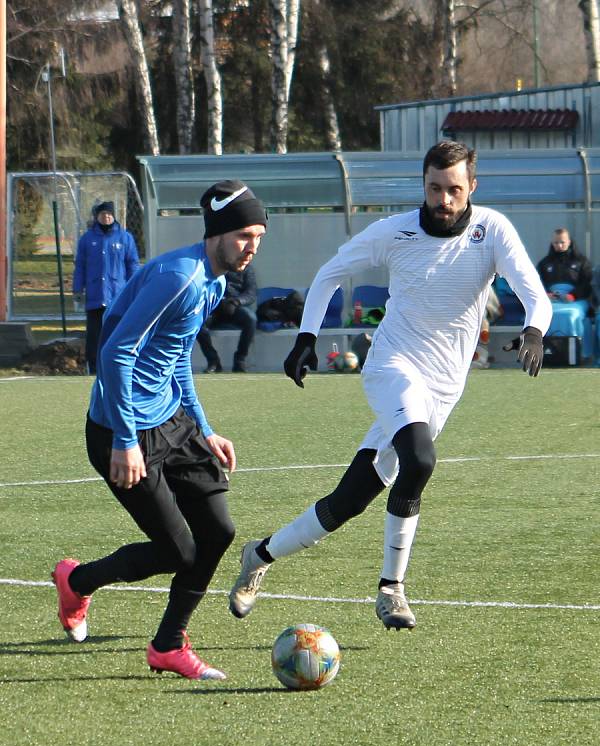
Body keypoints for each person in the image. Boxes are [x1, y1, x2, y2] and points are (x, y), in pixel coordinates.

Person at [228, 140, 552, 632]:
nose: (444, 200)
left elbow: (535, 294)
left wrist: (533, 330)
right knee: (420, 460)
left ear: (472, 188)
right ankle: (391, 589)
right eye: (435, 188)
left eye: (454, 190)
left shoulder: (493, 231)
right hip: (392, 366)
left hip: (444, 387)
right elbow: (330, 274)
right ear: (423, 185)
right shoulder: (394, 232)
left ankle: (259, 554)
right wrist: (306, 338)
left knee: (347, 503)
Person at [52, 180, 267, 680]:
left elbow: (176, 356)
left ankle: (168, 646)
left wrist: (205, 429)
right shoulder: (182, 277)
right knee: (177, 551)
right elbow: (114, 351)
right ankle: (77, 581)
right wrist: (126, 440)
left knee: (219, 530)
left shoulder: (214, 281)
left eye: (258, 236)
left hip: (172, 421)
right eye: (243, 235)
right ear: (215, 233)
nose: (251, 246)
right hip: (121, 429)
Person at [73, 201, 141, 374]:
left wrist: (136, 288)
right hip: (95, 296)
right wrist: (77, 289)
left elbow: (132, 264)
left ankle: (118, 367)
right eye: (103, 214)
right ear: (97, 217)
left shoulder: (125, 238)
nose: (106, 217)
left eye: (109, 214)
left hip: (117, 296)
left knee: (117, 333)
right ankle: (94, 368)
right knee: (94, 335)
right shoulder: (87, 239)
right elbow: (80, 265)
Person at [196, 263, 257, 373]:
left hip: (234, 307)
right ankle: (213, 361)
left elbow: (251, 293)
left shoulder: (246, 268)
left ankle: (240, 360)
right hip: (213, 307)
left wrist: (237, 301)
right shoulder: (211, 266)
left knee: (251, 319)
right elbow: (201, 288)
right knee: (198, 323)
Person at [536, 228, 593, 303]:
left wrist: (573, 295)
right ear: (552, 243)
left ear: (569, 242)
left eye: (562, 242)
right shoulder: (544, 263)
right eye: (556, 243)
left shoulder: (581, 261)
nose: (559, 245)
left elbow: (587, 282)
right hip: (550, 301)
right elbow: (536, 282)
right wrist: (545, 294)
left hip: (576, 301)